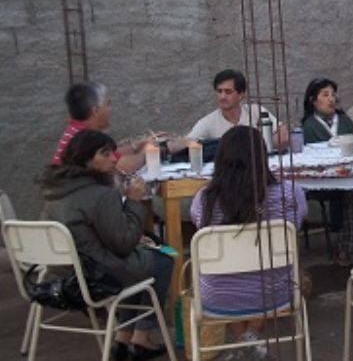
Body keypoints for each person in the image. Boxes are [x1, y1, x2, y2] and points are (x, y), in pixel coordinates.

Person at [40, 130, 174, 361]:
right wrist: (133, 201)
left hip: (59, 275)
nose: (114, 158)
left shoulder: (55, 190)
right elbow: (122, 245)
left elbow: (83, 230)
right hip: (95, 277)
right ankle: (141, 338)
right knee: (163, 259)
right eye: (105, 154)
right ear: (86, 158)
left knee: (139, 259)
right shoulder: (101, 194)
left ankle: (122, 339)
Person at [190, 126, 307, 361]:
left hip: (216, 298)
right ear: (263, 157)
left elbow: (198, 226)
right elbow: (297, 226)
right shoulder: (290, 194)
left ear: (220, 160)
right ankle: (250, 340)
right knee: (276, 273)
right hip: (277, 293)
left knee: (229, 277)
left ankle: (246, 344)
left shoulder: (205, 200)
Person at [301, 78, 353, 266]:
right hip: (324, 180)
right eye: (325, 95)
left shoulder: (344, 120)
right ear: (313, 101)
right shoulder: (309, 125)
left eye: (333, 95)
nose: (331, 99)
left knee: (351, 190)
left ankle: (345, 250)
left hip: (350, 175)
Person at [51, 81, 151, 175]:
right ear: (95, 110)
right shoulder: (84, 138)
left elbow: (113, 154)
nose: (110, 109)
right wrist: (147, 151)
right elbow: (123, 166)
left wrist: (138, 144)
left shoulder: (77, 131)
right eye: (108, 104)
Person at [187, 69, 288, 148]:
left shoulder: (256, 111)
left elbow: (282, 133)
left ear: (241, 94)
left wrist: (260, 147)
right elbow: (188, 142)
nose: (222, 97)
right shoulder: (208, 122)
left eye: (228, 92)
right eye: (219, 91)